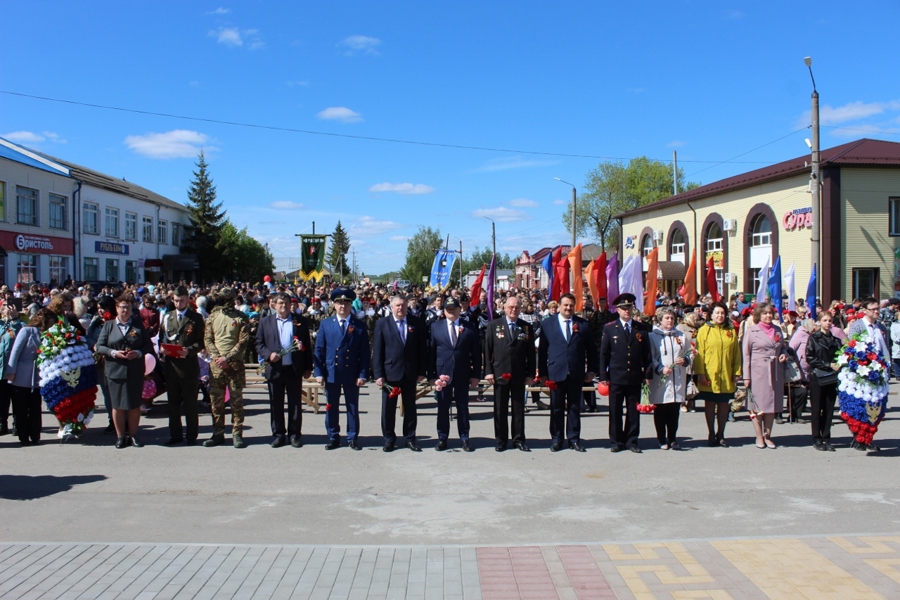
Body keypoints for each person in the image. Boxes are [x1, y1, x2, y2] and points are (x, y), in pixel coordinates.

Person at [540, 293, 597, 452]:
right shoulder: (548, 324)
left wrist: (591, 370)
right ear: (559, 306)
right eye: (565, 305)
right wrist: (543, 374)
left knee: (574, 407)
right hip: (555, 373)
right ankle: (557, 439)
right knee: (556, 408)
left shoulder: (583, 324)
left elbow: (592, 350)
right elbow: (543, 351)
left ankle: (574, 439)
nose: (568, 308)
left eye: (571, 305)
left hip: (575, 373)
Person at [314, 288, 370, 450]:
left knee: (352, 406)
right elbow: (319, 350)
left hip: (351, 372)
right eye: (339, 303)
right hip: (332, 372)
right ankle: (333, 436)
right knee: (331, 406)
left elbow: (365, 353)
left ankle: (352, 437)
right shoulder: (325, 324)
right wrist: (318, 372)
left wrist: (363, 374)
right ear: (334, 305)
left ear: (351, 304)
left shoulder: (359, 326)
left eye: (346, 302)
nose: (342, 306)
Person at [96, 293, 154, 449]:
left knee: (134, 405)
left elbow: (148, 345)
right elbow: (99, 346)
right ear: (117, 308)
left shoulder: (137, 324)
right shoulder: (109, 326)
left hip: (134, 370)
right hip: (115, 371)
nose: (125, 311)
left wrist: (139, 353)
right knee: (118, 405)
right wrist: (114, 353)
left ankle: (134, 436)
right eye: (122, 307)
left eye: (128, 308)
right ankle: (121, 436)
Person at [256, 292, 313, 448]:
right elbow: (259, 344)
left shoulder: (299, 321)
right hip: (274, 368)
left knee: (295, 404)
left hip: (293, 369)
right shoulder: (265, 322)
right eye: (280, 303)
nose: (284, 306)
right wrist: (269, 355)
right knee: (276, 403)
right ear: (273, 304)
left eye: (286, 302)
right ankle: (278, 434)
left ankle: (294, 435)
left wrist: (308, 366)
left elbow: (307, 344)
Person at [372, 294, 427, 452]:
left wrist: (422, 371)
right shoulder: (383, 324)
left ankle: (410, 438)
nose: (400, 308)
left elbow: (422, 349)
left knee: (410, 407)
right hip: (390, 374)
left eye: (403, 305)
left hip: (410, 373)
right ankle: (389, 439)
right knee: (388, 409)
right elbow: (377, 351)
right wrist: (378, 374)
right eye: (397, 305)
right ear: (391, 307)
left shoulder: (416, 323)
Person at [598, 293, 651, 453]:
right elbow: (604, 354)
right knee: (615, 410)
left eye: (629, 308)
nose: (627, 311)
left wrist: (647, 374)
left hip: (634, 376)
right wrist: (603, 376)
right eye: (623, 308)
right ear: (618, 310)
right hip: (616, 376)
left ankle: (632, 440)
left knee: (633, 411)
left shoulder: (641, 329)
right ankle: (616, 441)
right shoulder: (609, 328)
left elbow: (646, 354)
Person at [428, 296, 481, 451]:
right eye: (448, 309)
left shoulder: (469, 327)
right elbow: (431, 352)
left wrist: (476, 374)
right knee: (443, 407)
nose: (451, 311)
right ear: (444, 311)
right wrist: (431, 375)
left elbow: (476, 353)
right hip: (442, 373)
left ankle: (464, 438)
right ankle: (442, 438)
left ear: (460, 309)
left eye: (454, 308)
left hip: (463, 373)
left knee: (462, 407)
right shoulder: (435, 327)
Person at [484, 296, 535, 452]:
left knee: (518, 408)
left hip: (519, 373)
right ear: (505, 308)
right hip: (500, 373)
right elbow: (487, 350)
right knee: (500, 409)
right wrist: (488, 372)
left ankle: (518, 439)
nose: (514, 310)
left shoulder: (526, 327)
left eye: (517, 307)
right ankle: (501, 440)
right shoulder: (494, 325)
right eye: (511, 307)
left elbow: (531, 353)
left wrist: (530, 373)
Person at [202, 287, 251, 448]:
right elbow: (208, 339)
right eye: (223, 300)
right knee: (216, 402)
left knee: (236, 402)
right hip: (216, 367)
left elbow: (243, 341)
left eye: (229, 300)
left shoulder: (241, 318)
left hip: (234, 366)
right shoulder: (212, 317)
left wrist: (227, 358)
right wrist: (217, 357)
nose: (226, 303)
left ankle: (237, 433)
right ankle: (218, 433)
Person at [158, 285, 206, 446]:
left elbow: (201, 342)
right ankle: (175, 434)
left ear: (188, 300)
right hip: (171, 366)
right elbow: (161, 338)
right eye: (176, 300)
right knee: (172, 403)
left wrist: (190, 351)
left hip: (189, 367)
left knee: (190, 403)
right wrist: (162, 349)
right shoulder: (168, 316)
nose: (179, 303)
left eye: (182, 300)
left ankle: (191, 436)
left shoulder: (196, 318)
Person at [694, 302, 742, 446]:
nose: (720, 316)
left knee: (723, 405)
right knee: (709, 404)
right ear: (711, 314)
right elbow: (699, 353)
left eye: (722, 313)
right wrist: (700, 373)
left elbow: (736, 354)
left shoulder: (731, 331)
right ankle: (711, 432)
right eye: (717, 313)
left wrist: (737, 372)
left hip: (726, 374)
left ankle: (721, 433)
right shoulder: (704, 330)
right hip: (709, 374)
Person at [742, 302, 788, 449]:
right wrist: (746, 376)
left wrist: (783, 355)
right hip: (758, 372)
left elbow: (784, 348)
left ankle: (768, 435)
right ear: (758, 315)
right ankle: (759, 436)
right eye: (765, 313)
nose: (768, 316)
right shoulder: (752, 331)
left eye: (770, 313)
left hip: (775, 371)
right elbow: (746, 354)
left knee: (771, 405)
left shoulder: (778, 330)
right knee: (757, 406)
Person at [6, 309, 52, 445]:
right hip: (21, 374)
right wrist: (11, 371)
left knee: (35, 406)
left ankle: (35, 434)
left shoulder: (49, 334)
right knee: (20, 407)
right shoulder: (27, 331)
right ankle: (23, 435)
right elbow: (15, 351)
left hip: (38, 375)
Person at [648, 307, 690, 450]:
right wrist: (660, 368)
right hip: (661, 378)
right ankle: (661, 439)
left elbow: (689, 353)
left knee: (674, 410)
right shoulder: (653, 336)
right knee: (661, 410)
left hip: (677, 377)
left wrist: (684, 360)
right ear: (660, 319)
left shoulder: (680, 335)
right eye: (667, 318)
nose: (670, 320)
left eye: (672, 318)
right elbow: (651, 357)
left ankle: (673, 438)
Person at [805, 311, 842, 451]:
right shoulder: (814, 338)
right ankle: (816, 438)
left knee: (829, 409)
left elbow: (840, 356)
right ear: (819, 322)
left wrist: (839, 363)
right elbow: (810, 357)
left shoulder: (836, 340)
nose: (828, 323)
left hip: (831, 377)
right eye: (825, 320)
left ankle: (826, 438)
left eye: (829, 320)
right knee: (816, 409)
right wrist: (827, 365)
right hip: (818, 377)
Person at [0, 302, 24, 436]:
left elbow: (21, 336)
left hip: (15, 369)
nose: (7, 310)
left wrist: (14, 319)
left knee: (17, 399)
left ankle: (17, 424)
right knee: (2, 399)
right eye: (5, 307)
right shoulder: (0, 325)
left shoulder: (21, 324)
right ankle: (2, 423)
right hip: (1, 368)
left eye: (10, 307)